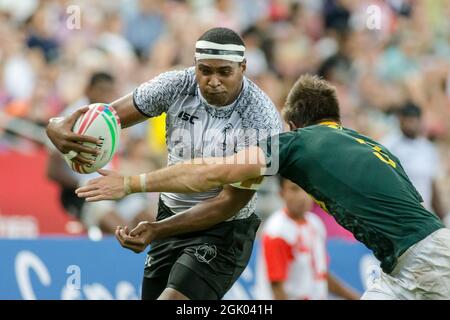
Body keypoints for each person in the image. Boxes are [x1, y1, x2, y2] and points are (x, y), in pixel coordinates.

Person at [77, 74, 450, 300]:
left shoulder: (295, 144)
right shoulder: (373, 145)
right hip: (409, 264)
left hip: (426, 264)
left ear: (291, 124)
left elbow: (210, 173)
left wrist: (132, 183)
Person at [47, 27, 282, 300]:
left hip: (224, 231)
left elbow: (229, 202)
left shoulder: (263, 121)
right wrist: (55, 128)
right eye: (205, 70)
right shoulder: (175, 85)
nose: (213, 81)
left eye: (224, 72)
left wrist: (155, 227)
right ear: (194, 65)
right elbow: (109, 117)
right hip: (169, 215)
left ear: (243, 67)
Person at [46, 72, 153, 235]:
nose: (105, 96)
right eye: (101, 90)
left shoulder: (109, 115)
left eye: (109, 91)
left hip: (107, 185)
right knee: (122, 230)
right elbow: (52, 171)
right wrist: (83, 185)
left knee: (147, 220)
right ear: (88, 90)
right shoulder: (71, 118)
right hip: (80, 194)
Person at [256, 178, 359, 300]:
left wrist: (356, 297)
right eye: (294, 189)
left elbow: (321, 273)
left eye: (306, 189)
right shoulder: (277, 231)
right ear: (281, 193)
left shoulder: (315, 224)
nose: (302, 196)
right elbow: (277, 287)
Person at [382, 102, 447, 221]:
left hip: (424, 215)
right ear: (400, 120)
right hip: (400, 214)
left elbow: (432, 184)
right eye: (408, 121)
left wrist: (443, 219)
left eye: (415, 121)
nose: (412, 125)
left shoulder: (427, 148)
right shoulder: (389, 145)